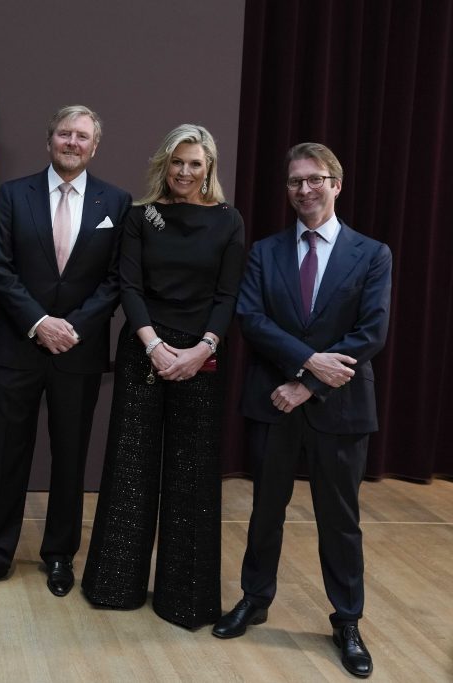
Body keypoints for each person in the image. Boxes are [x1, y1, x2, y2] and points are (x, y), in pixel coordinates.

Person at [213, 143, 391, 679]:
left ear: (337, 184)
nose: (305, 190)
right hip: (273, 400)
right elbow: (251, 318)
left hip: (339, 408)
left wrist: (308, 384)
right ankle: (255, 597)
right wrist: (308, 361)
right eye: (295, 182)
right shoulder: (264, 252)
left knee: (341, 520)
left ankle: (348, 619)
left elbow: (370, 332)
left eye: (315, 179)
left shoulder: (372, 253)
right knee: (265, 510)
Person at [80, 124, 245, 628]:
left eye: (195, 163)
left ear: (209, 168)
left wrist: (201, 350)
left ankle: (186, 599)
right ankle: (114, 585)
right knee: (132, 470)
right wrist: (153, 346)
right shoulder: (140, 216)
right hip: (144, 355)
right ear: (164, 164)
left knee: (191, 477)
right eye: (178, 162)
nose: (185, 172)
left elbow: (227, 295)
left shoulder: (228, 221)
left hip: (202, 358)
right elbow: (129, 286)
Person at [0, 105, 131, 600]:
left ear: (94, 146)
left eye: (82, 136)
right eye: (65, 133)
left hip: (79, 351)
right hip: (18, 346)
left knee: (70, 455)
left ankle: (59, 555)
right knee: (5, 455)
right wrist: (39, 323)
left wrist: (71, 328)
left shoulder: (116, 202)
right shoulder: (14, 195)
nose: (72, 142)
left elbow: (117, 279)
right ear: (49, 140)